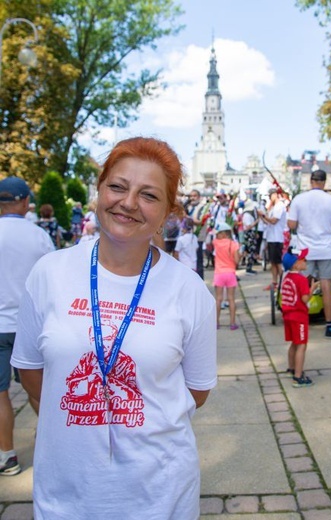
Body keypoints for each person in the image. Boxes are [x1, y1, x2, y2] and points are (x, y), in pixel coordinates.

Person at [11, 137, 217, 519]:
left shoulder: (189, 291)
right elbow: (31, 371)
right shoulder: (49, 273)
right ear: (100, 189)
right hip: (66, 493)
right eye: (118, 186)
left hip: (160, 494)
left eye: (149, 195)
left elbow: (197, 391)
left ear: (169, 211)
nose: (128, 203)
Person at [0, 176, 55, 476]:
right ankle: (52, 439)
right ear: (23, 202)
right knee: (36, 388)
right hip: (29, 322)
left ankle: (7, 454)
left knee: (0, 393)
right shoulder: (37, 236)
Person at [287, 169, 331, 338]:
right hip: (325, 248)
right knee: (326, 285)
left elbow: (291, 225)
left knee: (303, 283)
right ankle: (330, 325)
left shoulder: (299, 199)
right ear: (324, 182)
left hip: (306, 250)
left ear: (311, 181)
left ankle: (298, 320)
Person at [281, 248, 319, 388]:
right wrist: (312, 289)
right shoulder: (301, 279)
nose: (306, 261)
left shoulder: (287, 278)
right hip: (299, 316)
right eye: (303, 260)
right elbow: (305, 299)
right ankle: (298, 376)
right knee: (302, 345)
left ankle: (291, 368)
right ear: (296, 265)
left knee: (294, 343)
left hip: (288, 316)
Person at [212, 222, 240, 330]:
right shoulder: (234, 244)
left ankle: (216, 322)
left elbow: (209, 241)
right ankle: (232, 323)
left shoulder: (216, 243)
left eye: (218, 233)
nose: (216, 235)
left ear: (223, 234)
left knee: (218, 299)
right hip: (230, 273)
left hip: (219, 274)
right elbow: (237, 260)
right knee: (231, 299)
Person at [258, 188, 286, 290]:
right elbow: (267, 222)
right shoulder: (273, 207)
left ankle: (283, 282)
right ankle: (274, 282)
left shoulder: (280, 206)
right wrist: (261, 216)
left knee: (278, 262)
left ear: (275, 194)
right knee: (273, 262)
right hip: (271, 238)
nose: (269, 198)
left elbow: (274, 221)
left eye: (270, 196)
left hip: (277, 238)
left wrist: (264, 215)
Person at [184, 189, 208, 279]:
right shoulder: (188, 207)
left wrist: (186, 217)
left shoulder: (203, 207)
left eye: (194, 196)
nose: (192, 198)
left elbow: (200, 222)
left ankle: (200, 282)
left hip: (198, 238)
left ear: (199, 197)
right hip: (187, 239)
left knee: (198, 262)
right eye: (191, 196)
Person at [242, 199, 259, 275]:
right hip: (248, 234)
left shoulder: (249, 214)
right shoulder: (247, 215)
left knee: (251, 250)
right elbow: (248, 227)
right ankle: (248, 268)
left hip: (251, 233)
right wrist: (256, 222)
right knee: (250, 251)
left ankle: (250, 266)